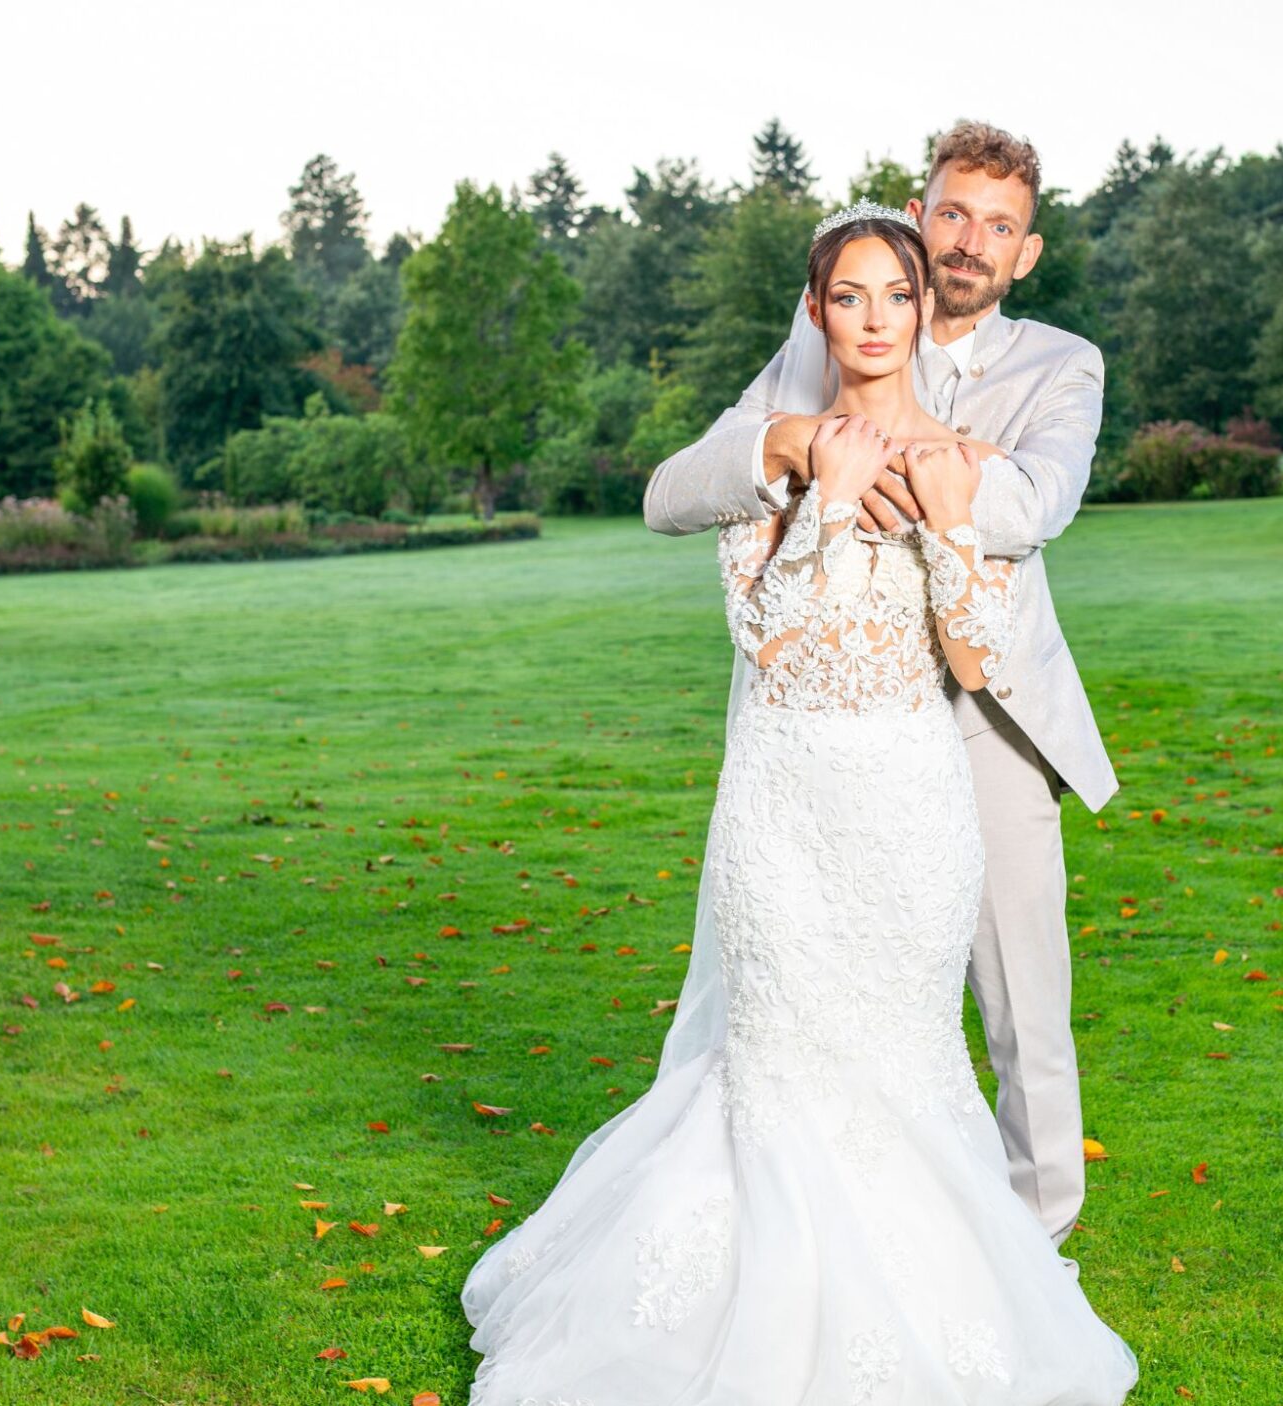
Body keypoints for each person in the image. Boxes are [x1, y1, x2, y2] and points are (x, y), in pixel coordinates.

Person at [459, 206, 1137, 1405]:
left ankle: (948, 1294)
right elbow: (771, 636)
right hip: (787, 795)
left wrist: (943, 520)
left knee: (908, 1056)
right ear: (816, 312)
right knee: (776, 1054)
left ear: (926, 310)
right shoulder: (774, 451)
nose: (875, 321)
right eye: (849, 298)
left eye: (896, 298)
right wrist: (822, 491)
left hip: (912, 798)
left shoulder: (965, 462)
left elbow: (977, 659)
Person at [643, 119, 1115, 1260]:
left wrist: (906, 468)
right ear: (919, 210)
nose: (968, 242)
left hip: (986, 710)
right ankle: (822, 1223)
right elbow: (675, 490)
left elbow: (1033, 506)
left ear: (1026, 251)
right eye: (952, 213)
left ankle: (1030, 1246)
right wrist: (796, 440)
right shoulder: (824, 339)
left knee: (1020, 1002)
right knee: (810, 992)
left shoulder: (1062, 363)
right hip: (820, 722)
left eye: (997, 226)